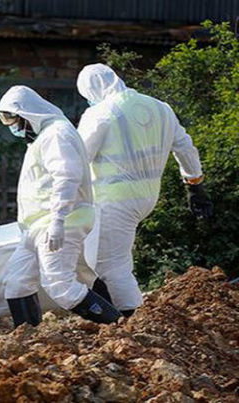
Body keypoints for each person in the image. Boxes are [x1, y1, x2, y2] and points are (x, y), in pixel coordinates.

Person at [76, 64, 212, 317]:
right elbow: (185, 147)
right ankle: (116, 320)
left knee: (110, 266)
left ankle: (131, 320)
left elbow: (78, 157)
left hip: (114, 200)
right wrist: (195, 186)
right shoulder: (161, 108)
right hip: (147, 197)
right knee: (106, 260)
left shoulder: (100, 113)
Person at [0, 85, 121, 327]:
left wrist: (58, 220)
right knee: (16, 281)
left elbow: (67, 177)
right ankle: (26, 337)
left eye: (12, 119)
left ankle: (117, 328)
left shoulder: (57, 134)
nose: (11, 126)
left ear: (27, 115)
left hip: (60, 220)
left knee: (60, 286)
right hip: (35, 225)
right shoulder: (44, 136)